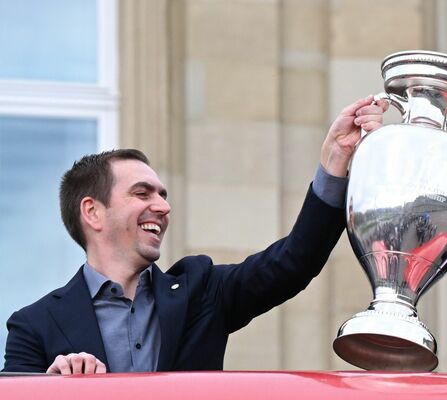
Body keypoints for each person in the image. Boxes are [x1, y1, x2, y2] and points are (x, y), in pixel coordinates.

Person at [2, 96, 389, 374]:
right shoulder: (33, 326)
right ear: (93, 212)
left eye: (163, 195)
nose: (162, 207)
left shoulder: (202, 291)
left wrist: (335, 161)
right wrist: (50, 388)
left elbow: (294, 261)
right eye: (142, 193)